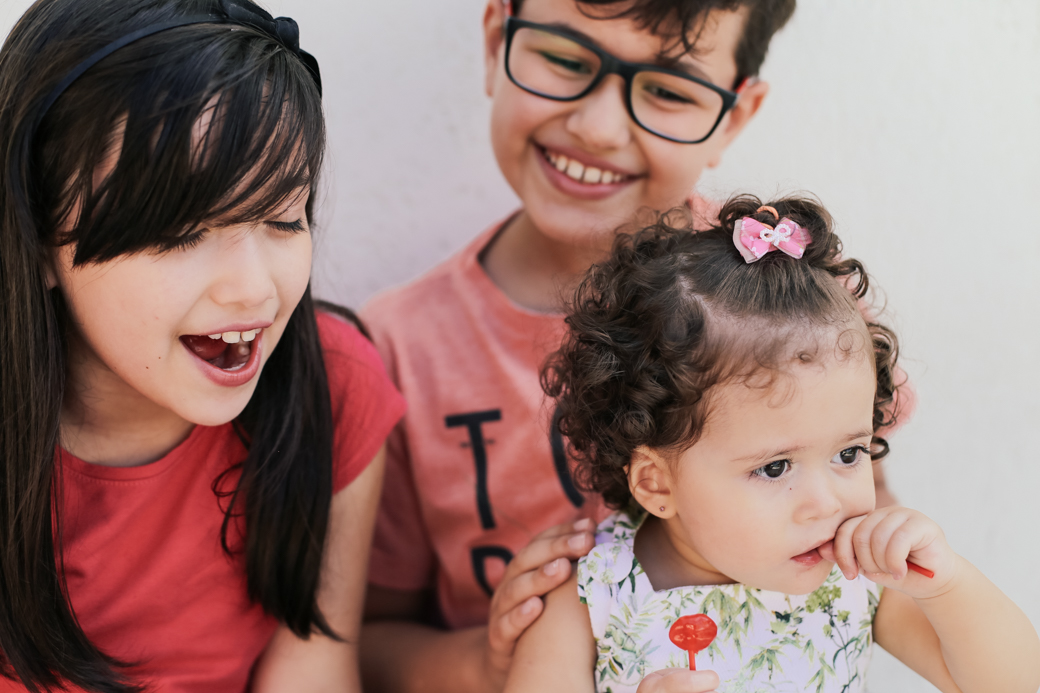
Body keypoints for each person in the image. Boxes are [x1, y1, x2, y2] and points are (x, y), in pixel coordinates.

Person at [357, 1, 910, 691]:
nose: (597, 127)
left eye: (669, 91)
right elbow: (367, 641)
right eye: (564, 58)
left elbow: (863, 526)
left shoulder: (791, 303)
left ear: (734, 116)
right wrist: (489, 660)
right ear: (497, 39)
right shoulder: (400, 346)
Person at [0, 1, 405, 691]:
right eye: (183, 231)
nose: (253, 290)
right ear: (39, 239)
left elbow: (312, 665)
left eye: (284, 218)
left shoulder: (333, 391)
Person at [503, 196, 1040, 693]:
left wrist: (947, 586)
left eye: (848, 454)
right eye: (776, 467)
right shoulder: (590, 596)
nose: (826, 504)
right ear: (656, 483)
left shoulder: (854, 578)